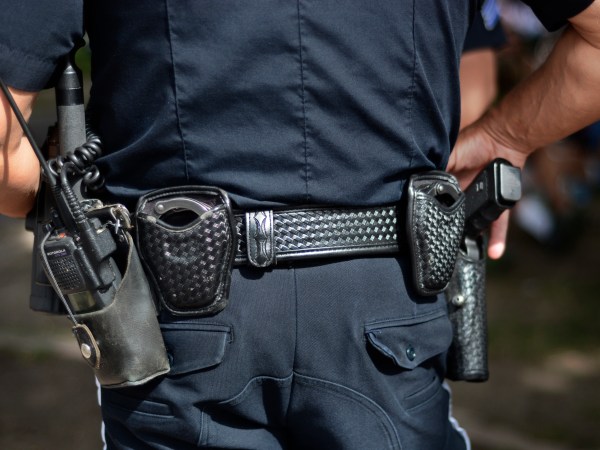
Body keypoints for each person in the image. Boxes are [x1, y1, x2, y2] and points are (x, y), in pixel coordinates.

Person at [1, 1, 599, 449]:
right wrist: (504, 138)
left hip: (180, 318)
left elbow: (7, 151)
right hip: (384, 300)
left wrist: (69, 204)